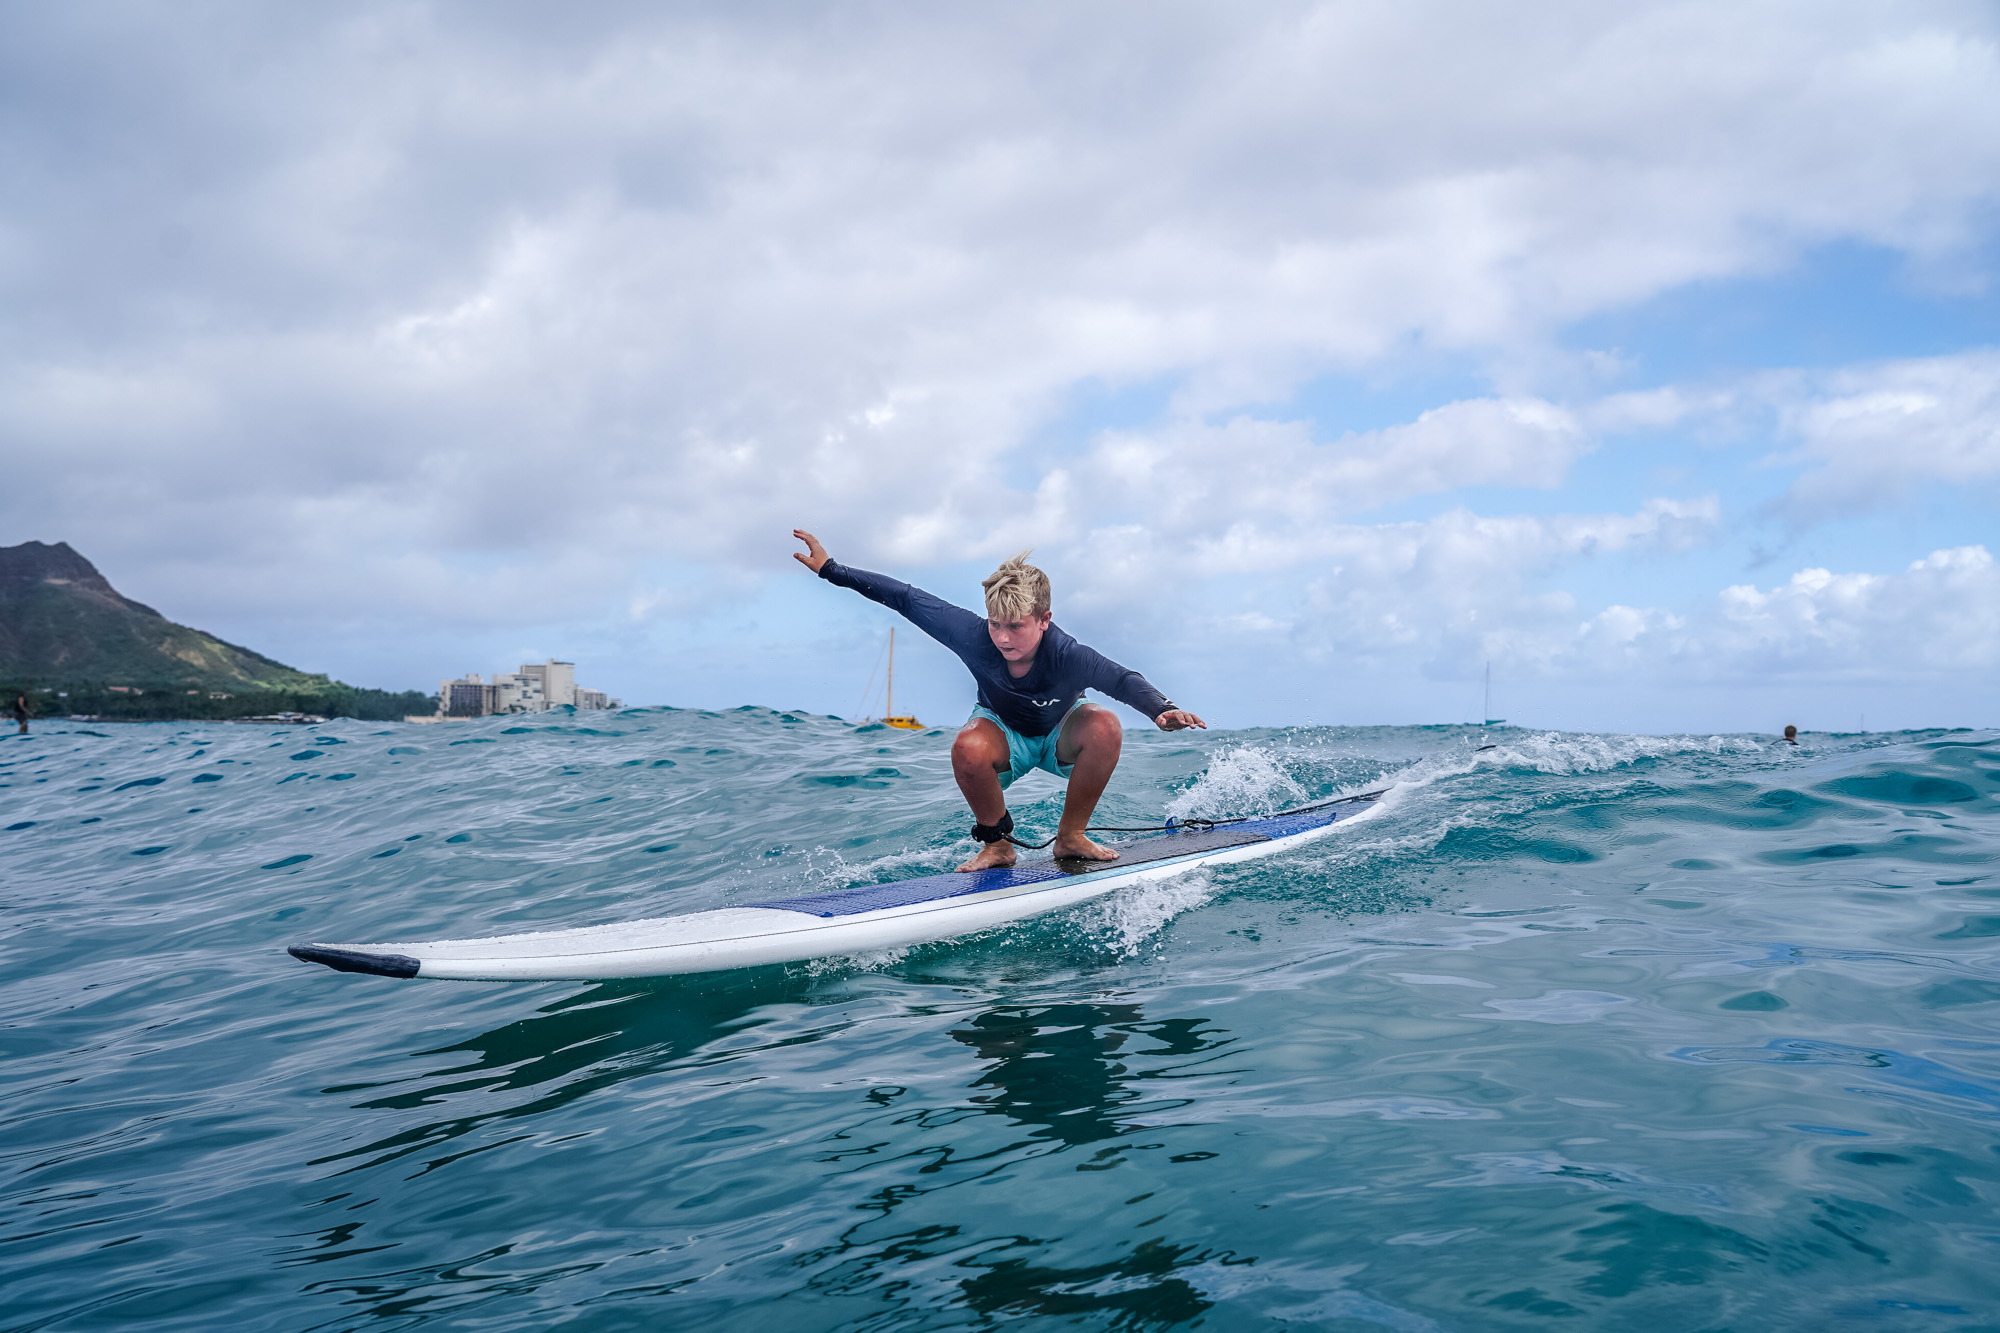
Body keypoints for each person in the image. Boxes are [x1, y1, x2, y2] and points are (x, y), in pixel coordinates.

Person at [794, 530, 1205, 871]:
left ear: (1044, 620)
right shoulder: (973, 635)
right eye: (995, 624)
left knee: (1105, 723)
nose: (1003, 637)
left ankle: (1071, 836)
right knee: (967, 745)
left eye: (1015, 626)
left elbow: (1121, 678)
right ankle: (997, 844)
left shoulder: (1066, 654)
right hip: (1003, 731)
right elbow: (905, 597)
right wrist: (833, 571)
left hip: (1061, 731)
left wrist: (1160, 708)